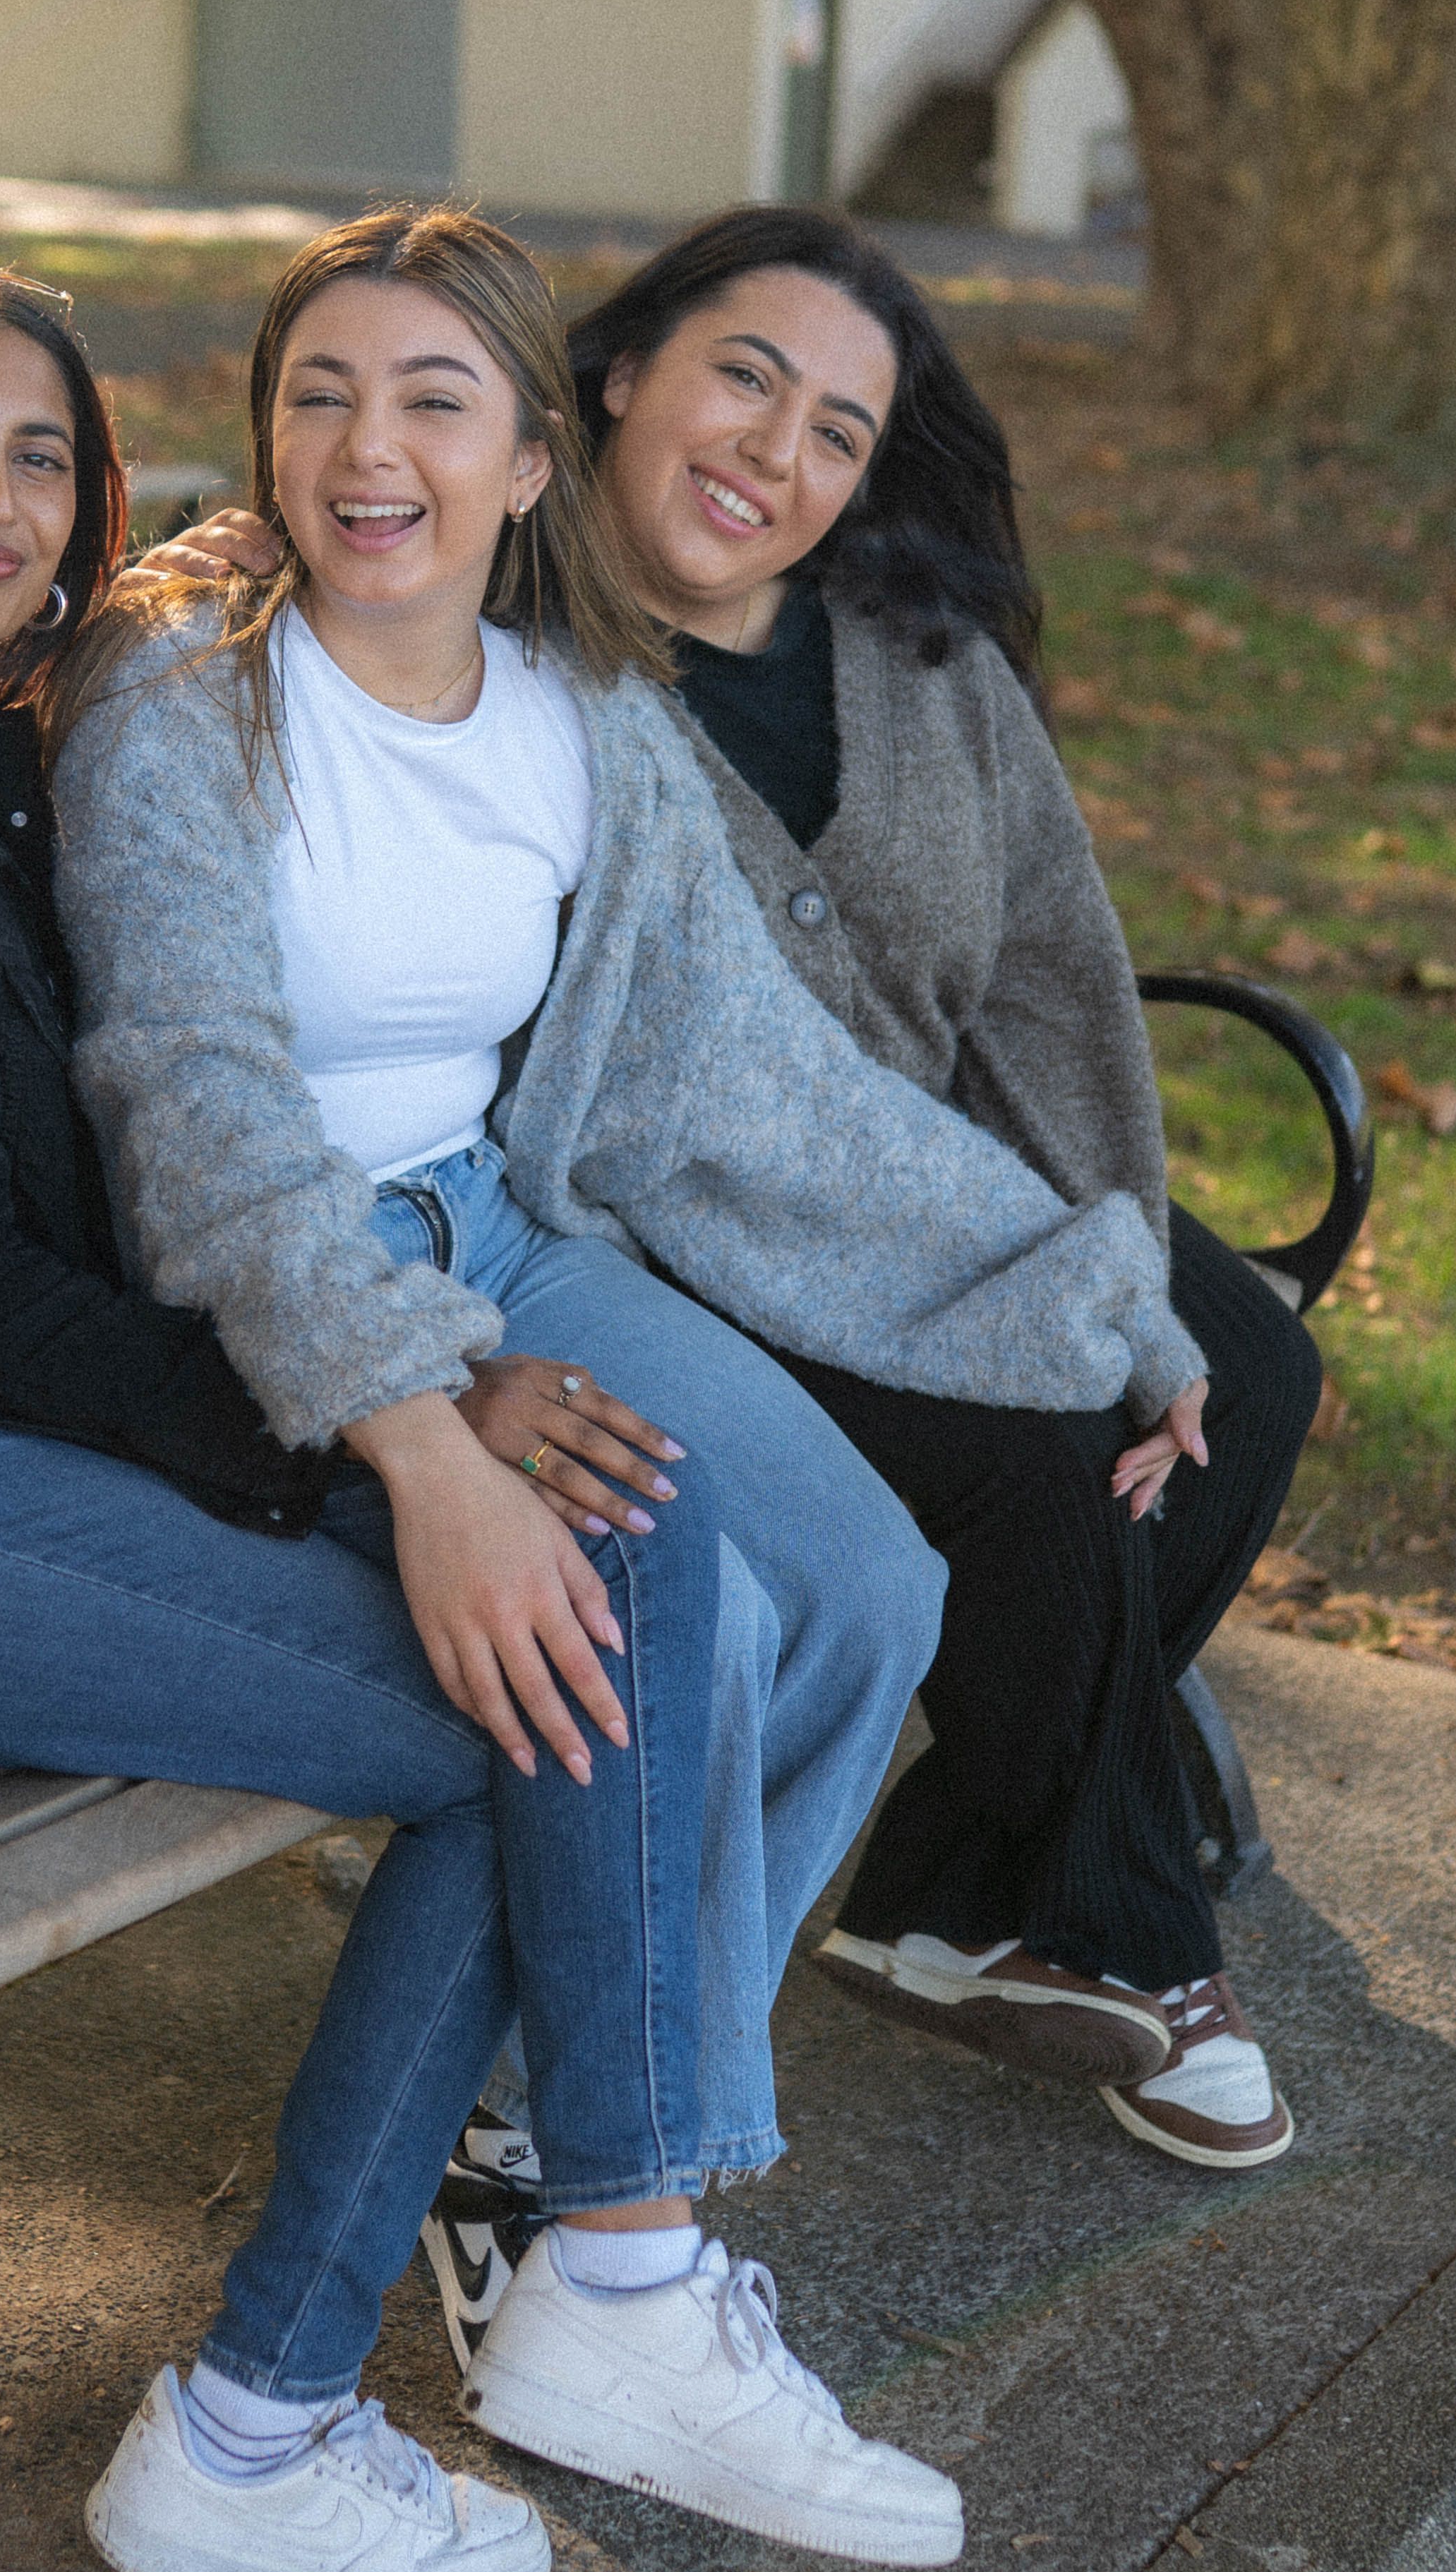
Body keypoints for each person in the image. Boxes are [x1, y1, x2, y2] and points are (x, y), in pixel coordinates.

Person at [0, 243, 959, 2572]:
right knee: (521, 1685)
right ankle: (289, 2405)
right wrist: (377, 1436)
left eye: (43, 452)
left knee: (612, 1556)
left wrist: (424, 1400)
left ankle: (598, 2270)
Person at [51, 203, 1226, 2403]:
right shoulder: (183, 689)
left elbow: (772, 1088)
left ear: (525, 463)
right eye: (318, 394)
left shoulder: (579, 712)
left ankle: (544, 2140)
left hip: (509, 1224)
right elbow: (190, 1096)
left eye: (430, 400)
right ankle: (623, 2216)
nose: (365, 447)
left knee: (871, 1587)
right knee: (674, 1625)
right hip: (322, 1257)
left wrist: (1091, 1290)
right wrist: (416, 1399)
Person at [558, 204, 1323, 2174]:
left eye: (834, 431)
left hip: (920, 1195)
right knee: (1046, 1440)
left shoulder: (914, 655)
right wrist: (1056, 1308)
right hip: (673, 1243)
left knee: (1242, 1364)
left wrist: (1122, 1251)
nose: (775, 455)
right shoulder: (517, 655)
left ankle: (949, 1884)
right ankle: (1125, 1938)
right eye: (744, 378)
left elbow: (1056, 979)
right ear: (625, 368)